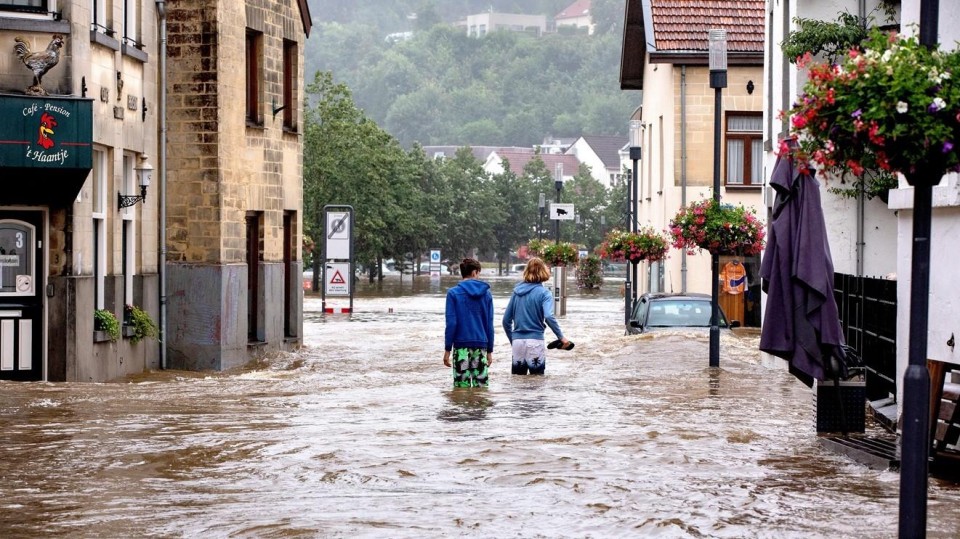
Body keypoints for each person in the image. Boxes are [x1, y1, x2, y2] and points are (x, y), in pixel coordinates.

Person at [502, 257, 569, 375]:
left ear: (526, 271)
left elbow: (506, 321)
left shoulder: (516, 292)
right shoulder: (545, 293)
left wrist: (513, 339)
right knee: (537, 384)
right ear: (544, 271)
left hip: (517, 342)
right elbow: (548, 316)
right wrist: (561, 337)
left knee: (517, 385)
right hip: (535, 342)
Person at [443, 258, 494, 387]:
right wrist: (489, 350)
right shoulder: (487, 294)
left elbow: (451, 323)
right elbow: (489, 324)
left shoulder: (453, 293)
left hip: (461, 348)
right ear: (474, 272)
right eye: (479, 273)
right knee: (481, 388)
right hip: (480, 346)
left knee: (461, 388)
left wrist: (448, 349)